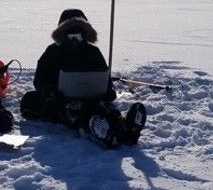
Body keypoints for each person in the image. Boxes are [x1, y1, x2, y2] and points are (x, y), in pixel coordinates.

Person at [20, 8, 146, 148]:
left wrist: (108, 90)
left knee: (105, 108)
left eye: (78, 37)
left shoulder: (93, 52)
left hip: (94, 98)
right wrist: (49, 91)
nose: (74, 41)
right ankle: (101, 130)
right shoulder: (52, 52)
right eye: (70, 36)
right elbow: (40, 79)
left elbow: (105, 78)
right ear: (62, 35)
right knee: (73, 110)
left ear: (85, 35)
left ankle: (126, 128)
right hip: (62, 100)